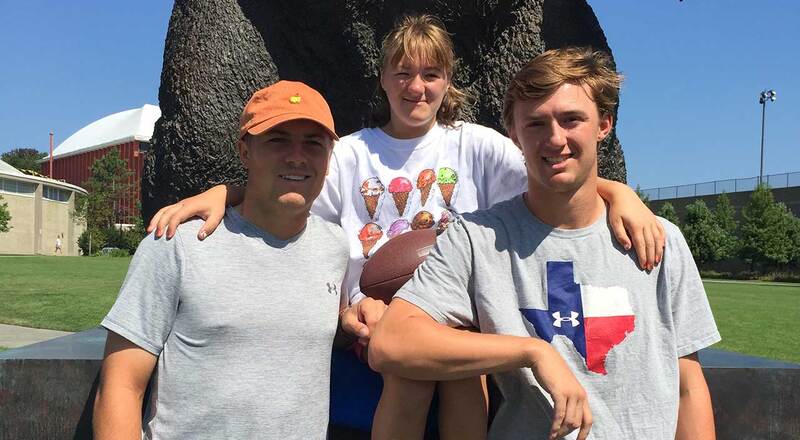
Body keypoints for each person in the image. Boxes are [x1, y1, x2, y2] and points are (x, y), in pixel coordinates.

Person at [147, 16, 665, 439]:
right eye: (402, 72)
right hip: (372, 313)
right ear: (383, 78)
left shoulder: (476, 145)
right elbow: (289, 200)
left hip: (456, 311)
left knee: (462, 373)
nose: (416, 87)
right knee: (408, 371)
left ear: (448, 80)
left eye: (430, 73)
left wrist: (618, 193)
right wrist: (226, 193)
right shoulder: (351, 152)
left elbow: (551, 176)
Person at [368, 47, 720, 440]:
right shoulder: (477, 238)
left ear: (604, 124)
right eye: (535, 124)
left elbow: (687, 386)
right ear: (514, 134)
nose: (555, 139)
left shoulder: (656, 238)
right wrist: (532, 352)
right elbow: (391, 342)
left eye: (572, 119)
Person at [93, 81, 368, 439]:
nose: (297, 156)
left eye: (313, 143)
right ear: (244, 151)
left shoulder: (334, 246)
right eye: (278, 139)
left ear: (329, 159)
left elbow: (301, 336)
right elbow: (120, 385)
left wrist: (349, 323)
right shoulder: (177, 243)